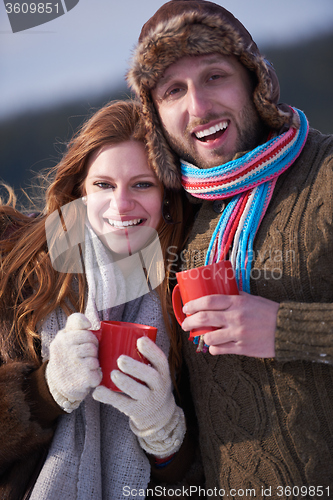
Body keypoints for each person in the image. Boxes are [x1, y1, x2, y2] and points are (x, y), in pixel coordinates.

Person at [127, 0, 333, 497]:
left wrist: (286, 329)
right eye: (174, 90)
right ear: (155, 114)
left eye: (215, 76)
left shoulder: (326, 174)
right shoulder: (174, 219)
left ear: (254, 82)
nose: (198, 108)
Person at [0, 100, 193, 500]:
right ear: (79, 190)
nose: (121, 205)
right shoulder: (13, 267)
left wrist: (163, 432)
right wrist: (45, 391)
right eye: (104, 185)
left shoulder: (185, 289)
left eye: (143, 184)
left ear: (168, 197)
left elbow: (196, 476)